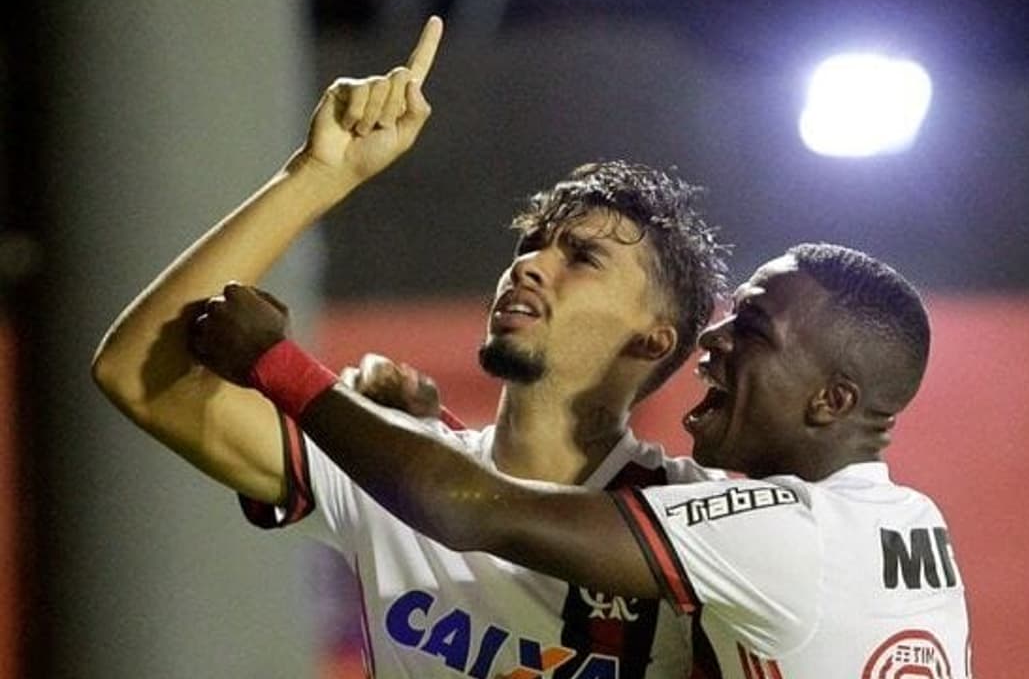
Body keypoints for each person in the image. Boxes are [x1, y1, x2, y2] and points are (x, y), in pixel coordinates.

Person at [91, 15, 733, 678]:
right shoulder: (382, 462)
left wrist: (283, 365)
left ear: (653, 340)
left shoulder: (700, 524)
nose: (530, 265)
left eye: (582, 258)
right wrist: (318, 175)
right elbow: (133, 370)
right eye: (530, 245)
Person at [189, 243, 974, 678]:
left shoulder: (782, 537)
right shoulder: (908, 521)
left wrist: (275, 363)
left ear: (832, 401)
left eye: (754, 330)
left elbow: (472, 510)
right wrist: (442, 434)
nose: (713, 338)